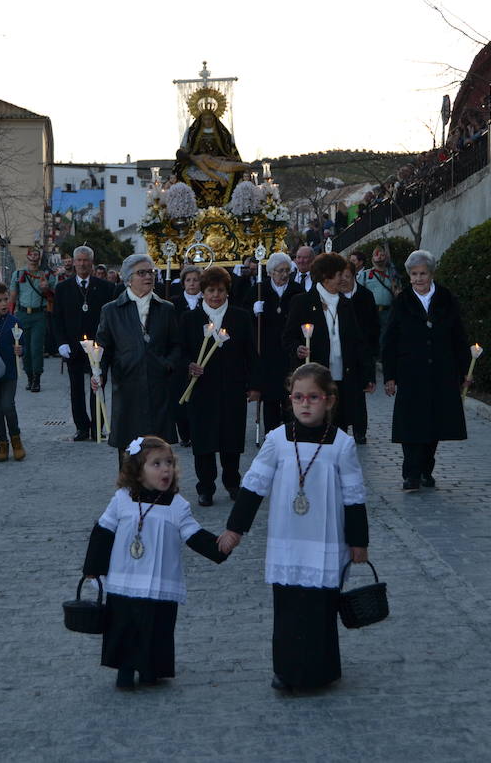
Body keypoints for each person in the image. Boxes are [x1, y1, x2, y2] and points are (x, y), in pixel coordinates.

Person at [218, 363, 369, 691]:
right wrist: (235, 530)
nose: (304, 404)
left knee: (320, 609)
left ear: (329, 401)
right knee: (287, 609)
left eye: (313, 397)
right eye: (298, 397)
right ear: (289, 400)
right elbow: (254, 486)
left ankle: (321, 671)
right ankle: (285, 670)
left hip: (327, 540)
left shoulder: (342, 445)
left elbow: (355, 497)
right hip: (288, 539)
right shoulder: (276, 439)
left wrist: (359, 542)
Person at [81, 435, 228, 690]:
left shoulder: (177, 506)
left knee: (156, 626)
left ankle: (151, 669)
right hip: (125, 578)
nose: (165, 469)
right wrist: (93, 568)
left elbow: (193, 535)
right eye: (156, 464)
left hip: (159, 581)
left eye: (168, 463)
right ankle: (124, 669)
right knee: (123, 625)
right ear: (138, 472)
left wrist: (220, 547)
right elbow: (103, 531)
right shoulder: (122, 499)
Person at [382, 250, 471, 491]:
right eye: (414, 274)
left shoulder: (445, 298)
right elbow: (390, 340)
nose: (418, 279)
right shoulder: (402, 301)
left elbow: (458, 336)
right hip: (411, 372)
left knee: (434, 423)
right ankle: (410, 473)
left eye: (423, 274)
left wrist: (464, 370)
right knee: (411, 424)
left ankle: (425, 470)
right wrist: (389, 375)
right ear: (409, 276)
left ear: (431, 274)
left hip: (442, 370)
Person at [180, 266, 260, 506]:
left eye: (220, 290)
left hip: (232, 388)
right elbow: (180, 350)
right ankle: (205, 487)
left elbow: (251, 354)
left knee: (231, 439)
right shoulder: (189, 319)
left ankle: (233, 482)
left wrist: (254, 385)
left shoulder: (241, 317)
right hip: (201, 389)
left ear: (228, 292)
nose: (215, 295)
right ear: (202, 292)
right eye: (211, 290)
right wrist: (189, 365)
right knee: (203, 442)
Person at [95, 254, 179, 462]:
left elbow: (177, 345)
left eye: (151, 272)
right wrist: (99, 373)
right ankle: (130, 491)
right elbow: (102, 348)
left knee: (158, 446)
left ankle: (159, 490)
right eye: (141, 273)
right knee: (129, 448)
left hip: (158, 385)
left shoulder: (166, 309)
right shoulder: (111, 310)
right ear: (128, 278)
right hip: (127, 385)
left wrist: (167, 364)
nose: (148, 277)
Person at [282, 252, 375, 433]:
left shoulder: (346, 304)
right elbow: (288, 337)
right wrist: (297, 348)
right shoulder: (302, 302)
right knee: (316, 426)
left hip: (343, 376)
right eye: (340, 275)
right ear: (326, 276)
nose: (344, 279)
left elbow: (358, 343)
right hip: (315, 376)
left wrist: (368, 375)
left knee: (338, 428)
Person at [53, 246, 113, 441]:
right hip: (73, 345)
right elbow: (57, 318)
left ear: (92, 262)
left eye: (86, 260)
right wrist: (61, 342)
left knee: (98, 384)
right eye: (78, 260)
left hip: (97, 347)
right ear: (74, 262)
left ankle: (98, 426)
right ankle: (81, 427)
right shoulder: (62, 288)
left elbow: (109, 319)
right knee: (76, 387)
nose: (82, 264)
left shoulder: (106, 287)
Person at [249, 252, 303, 434]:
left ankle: (290, 430)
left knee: (289, 393)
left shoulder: (296, 290)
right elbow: (245, 317)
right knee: (270, 395)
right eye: (280, 271)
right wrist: (254, 311)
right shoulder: (259, 289)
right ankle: (271, 432)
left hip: (288, 350)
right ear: (271, 272)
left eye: (287, 270)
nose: (284, 274)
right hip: (267, 349)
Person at [339, 262, 380, 444]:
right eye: (340, 276)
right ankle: (340, 427)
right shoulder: (335, 296)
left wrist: (371, 349)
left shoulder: (365, 295)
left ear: (354, 276)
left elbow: (373, 324)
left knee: (358, 391)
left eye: (346, 276)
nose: (343, 280)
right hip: (341, 349)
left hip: (361, 350)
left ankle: (359, 429)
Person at [0, 283, 26, 462]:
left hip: (9, 370)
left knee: (8, 406)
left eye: (5, 299)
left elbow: (22, 343)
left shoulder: (14, 322)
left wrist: (21, 350)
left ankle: (16, 440)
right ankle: (2, 442)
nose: (3, 304)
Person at [9, 248, 57, 392]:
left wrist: (46, 289)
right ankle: (29, 376)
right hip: (22, 314)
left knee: (36, 348)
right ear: (27, 256)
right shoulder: (18, 274)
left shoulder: (47, 275)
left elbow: (53, 297)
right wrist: (10, 317)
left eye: (37, 254)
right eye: (32, 254)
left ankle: (37, 378)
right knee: (25, 348)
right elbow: (12, 296)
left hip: (39, 315)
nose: (34, 257)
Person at [171, 265, 202, 447]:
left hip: (200, 352)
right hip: (180, 354)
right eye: (188, 280)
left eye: (195, 280)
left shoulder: (206, 301)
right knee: (180, 395)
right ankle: (184, 433)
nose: (192, 283)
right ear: (183, 283)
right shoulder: (174, 303)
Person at [360, 245, 401, 347]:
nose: (379, 257)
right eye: (376, 255)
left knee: (387, 335)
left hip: (388, 311)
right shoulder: (365, 275)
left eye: (382, 254)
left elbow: (399, 291)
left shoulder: (393, 274)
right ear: (372, 258)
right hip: (371, 311)